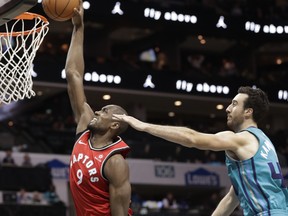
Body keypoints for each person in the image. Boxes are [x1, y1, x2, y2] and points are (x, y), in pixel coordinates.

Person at [114, 86, 288, 216]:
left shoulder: (242, 138)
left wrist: (144, 126)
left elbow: (192, 139)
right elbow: (233, 197)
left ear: (248, 112)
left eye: (234, 104)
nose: (228, 108)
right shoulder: (264, 141)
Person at [65, 3, 132, 216]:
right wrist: (79, 28)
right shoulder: (84, 128)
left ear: (115, 124)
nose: (96, 112)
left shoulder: (115, 162)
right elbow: (72, 73)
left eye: (104, 111)